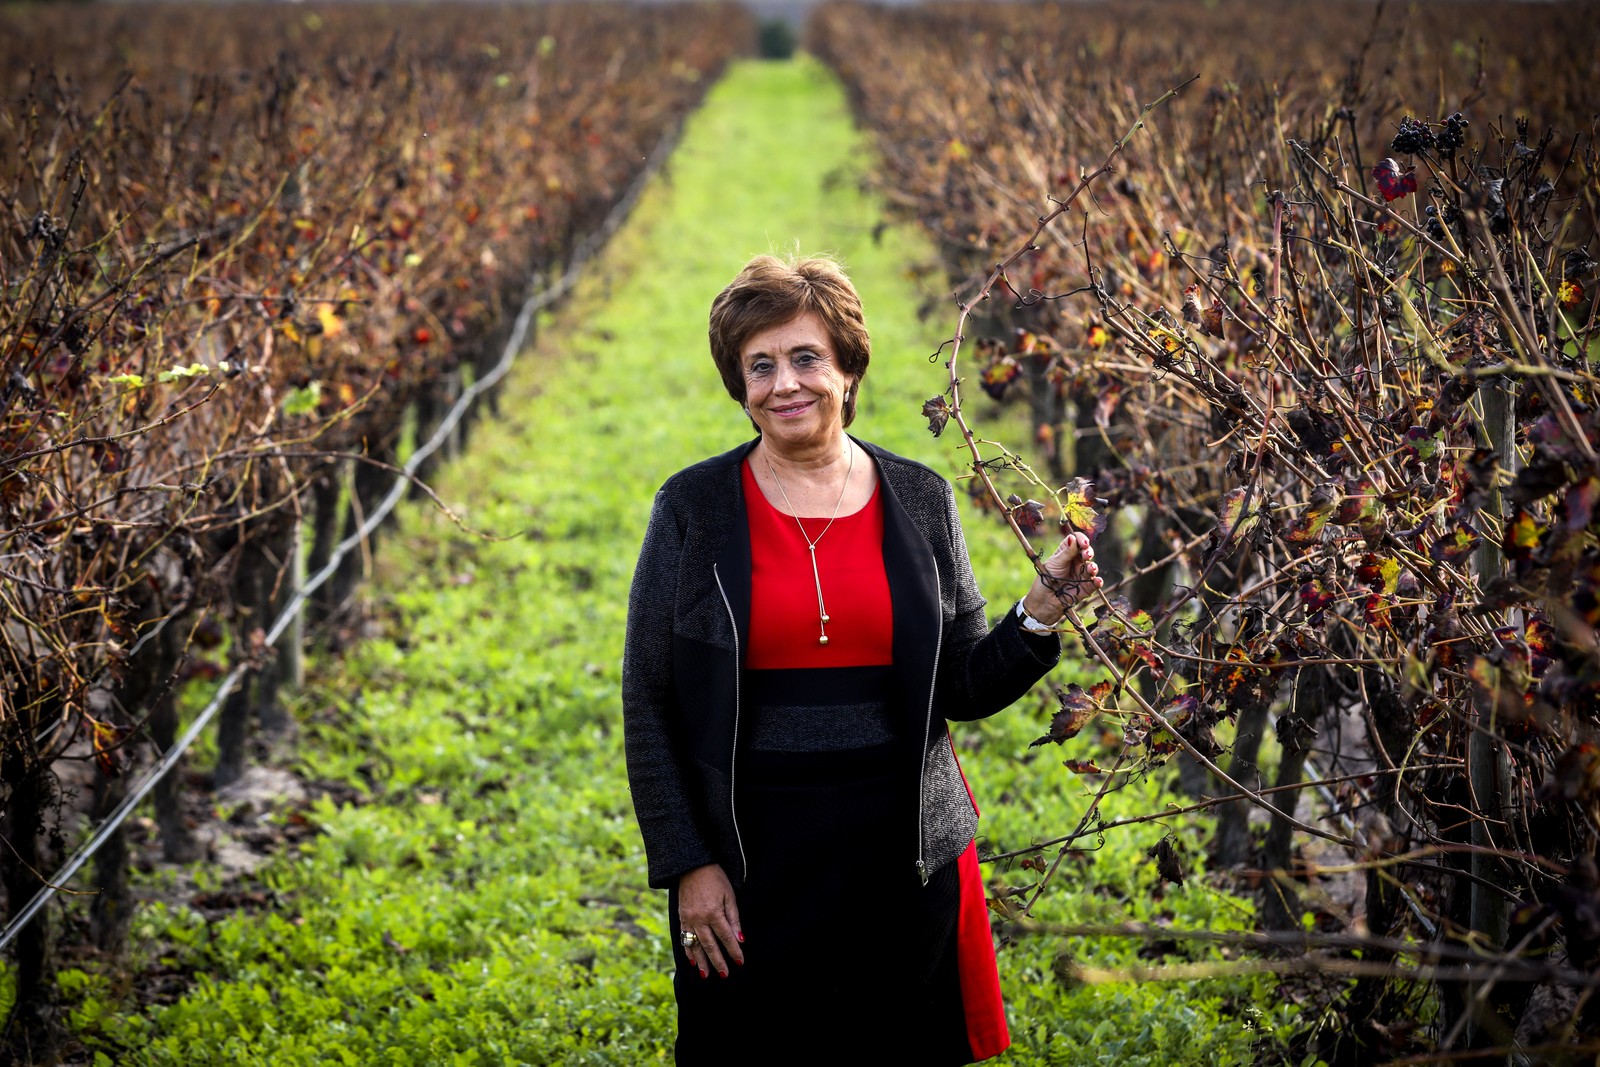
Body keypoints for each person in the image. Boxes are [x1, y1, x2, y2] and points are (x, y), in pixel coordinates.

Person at [622, 253, 1101, 1065]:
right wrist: (688, 862)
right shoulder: (692, 508)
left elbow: (961, 684)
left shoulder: (920, 498)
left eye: (805, 358)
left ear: (847, 369)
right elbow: (650, 696)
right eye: (759, 366)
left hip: (901, 859)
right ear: (739, 385)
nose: (784, 385)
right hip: (750, 854)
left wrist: (1037, 617)